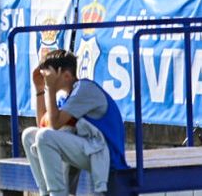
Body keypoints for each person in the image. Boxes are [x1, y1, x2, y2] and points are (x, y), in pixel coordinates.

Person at [21, 48, 127, 196]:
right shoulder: (66, 96)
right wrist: (40, 89)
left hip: (105, 154)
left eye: (49, 75)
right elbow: (44, 125)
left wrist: (50, 88)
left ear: (66, 75)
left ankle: (57, 194)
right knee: (29, 135)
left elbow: (53, 126)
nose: (46, 80)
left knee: (44, 137)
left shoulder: (85, 89)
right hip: (89, 150)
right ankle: (45, 192)